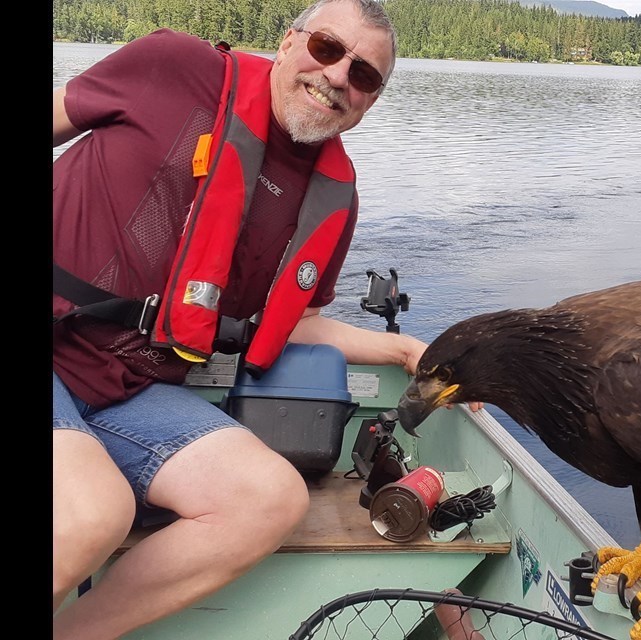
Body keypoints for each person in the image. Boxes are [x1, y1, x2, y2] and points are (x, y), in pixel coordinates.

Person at [52, 1, 477, 638]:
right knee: (92, 513)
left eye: (364, 75)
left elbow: (285, 326)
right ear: (287, 44)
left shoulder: (335, 197)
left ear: (370, 102)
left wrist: (404, 352)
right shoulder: (175, 67)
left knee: (270, 499)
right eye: (329, 49)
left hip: (131, 389)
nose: (339, 77)